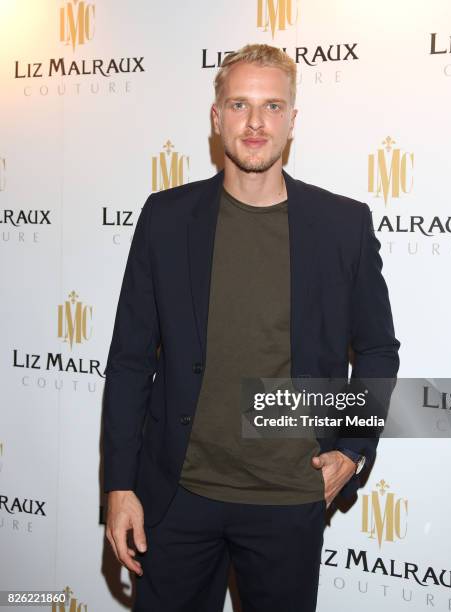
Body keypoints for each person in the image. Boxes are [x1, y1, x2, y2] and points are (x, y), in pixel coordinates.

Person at [103, 43, 400, 612]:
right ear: (217, 118)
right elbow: (130, 360)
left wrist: (355, 451)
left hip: (289, 498)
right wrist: (120, 485)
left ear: (292, 120)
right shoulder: (166, 219)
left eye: (272, 106)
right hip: (176, 496)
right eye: (239, 105)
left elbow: (378, 348)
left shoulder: (342, 225)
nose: (256, 122)